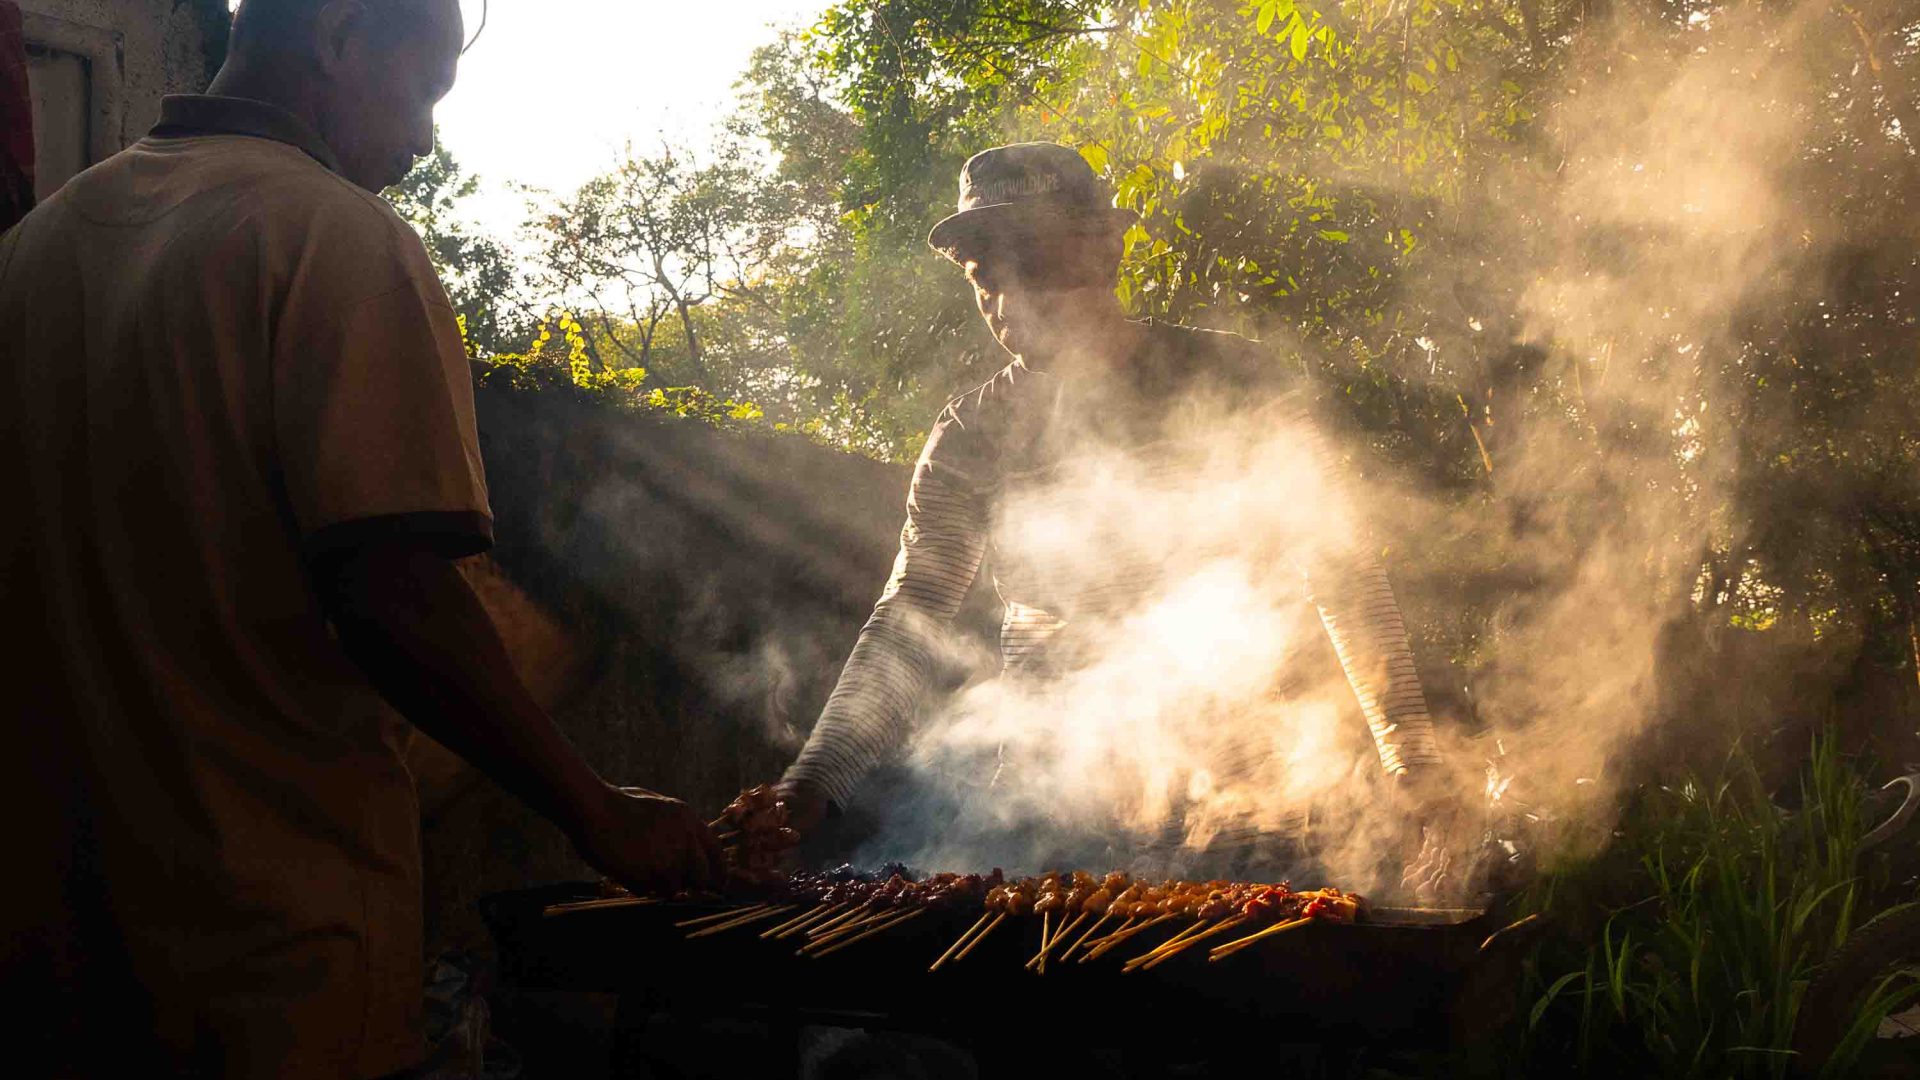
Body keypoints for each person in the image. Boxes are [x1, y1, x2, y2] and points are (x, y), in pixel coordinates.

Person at [0, 2, 719, 1076]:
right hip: (271, 963)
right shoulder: (334, 236)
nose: (426, 140)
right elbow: (395, 593)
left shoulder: (34, 248)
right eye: (425, 90)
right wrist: (595, 809)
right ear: (340, 36)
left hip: (53, 967)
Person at [773, 142, 1454, 878]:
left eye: (1033, 265)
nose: (1008, 301)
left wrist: (1409, 754)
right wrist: (809, 786)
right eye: (984, 276)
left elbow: (1338, 567)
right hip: (1050, 815)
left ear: (1103, 256)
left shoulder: (1236, 380)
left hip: (1244, 806)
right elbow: (914, 613)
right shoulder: (972, 432)